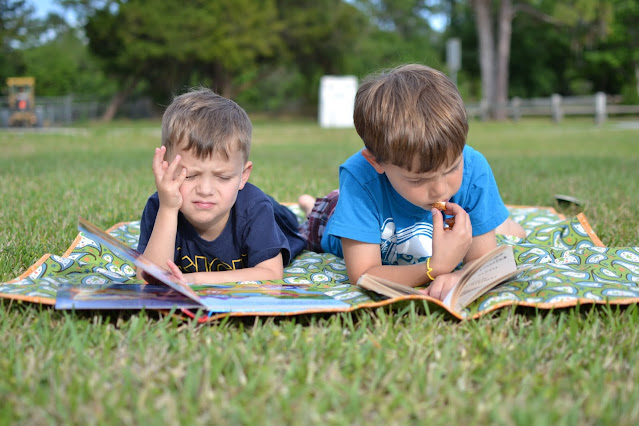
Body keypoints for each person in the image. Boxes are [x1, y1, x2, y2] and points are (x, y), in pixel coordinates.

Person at [298, 63, 526, 301]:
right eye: (418, 180)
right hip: (334, 214)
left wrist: (461, 276)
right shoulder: (360, 179)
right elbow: (363, 274)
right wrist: (434, 268)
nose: (440, 190)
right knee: (324, 212)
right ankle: (309, 204)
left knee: (491, 232)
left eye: (452, 169)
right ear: (376, 162)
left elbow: (481, 259)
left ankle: (499, 223)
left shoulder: (473, 167)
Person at [137, 88, 305, 284]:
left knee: (307, 224)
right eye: (190, 175)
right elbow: (147, 278)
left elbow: (271, 274)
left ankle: (309, 206)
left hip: (278, 218)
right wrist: (168, 209)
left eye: (223, 177)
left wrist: (194, 279)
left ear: (243, 176)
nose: (205, 190)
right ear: (166, 168)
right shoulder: (160, 206)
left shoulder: (255, 209)